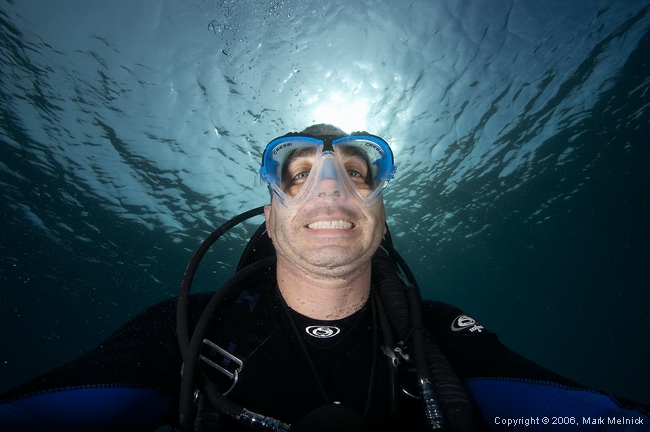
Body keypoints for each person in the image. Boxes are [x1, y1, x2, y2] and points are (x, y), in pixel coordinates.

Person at [0, 124, 648, 432]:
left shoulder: (440, 333)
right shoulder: (186, 330)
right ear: (270, 213)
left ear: (380, 213)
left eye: (357, 174)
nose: (330, 190)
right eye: (299, 173)